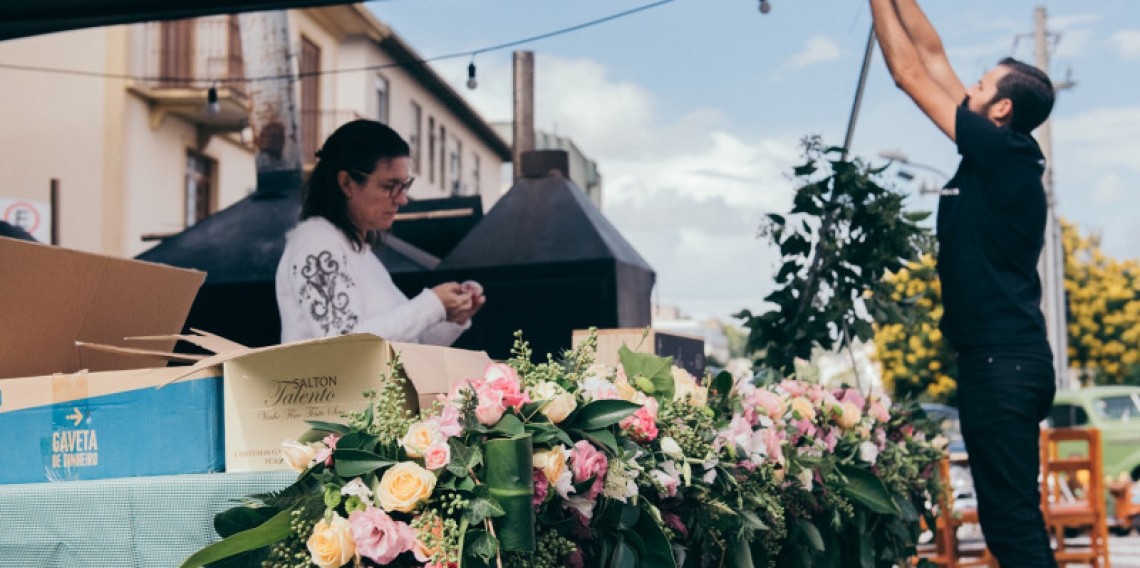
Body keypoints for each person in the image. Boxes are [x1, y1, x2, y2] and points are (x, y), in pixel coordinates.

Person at [867, 0, 1058, 565]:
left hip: (1003, 365)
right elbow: (930, 55)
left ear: (999, 108)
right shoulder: (997, 150)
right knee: (1011, 522)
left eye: (979, 84)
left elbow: (907, 74)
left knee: (1012, 527)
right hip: (1002, 362)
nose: (965, 86)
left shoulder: (1001, 154)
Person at [276, 119, 485, 345]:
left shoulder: (360, 253)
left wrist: (451, 316)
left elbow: (411, 345)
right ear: (346, 183)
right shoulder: (315, 244)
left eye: (405, 186)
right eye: (389, 186)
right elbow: (341, 345)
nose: (402, 199)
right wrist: (433, 304)